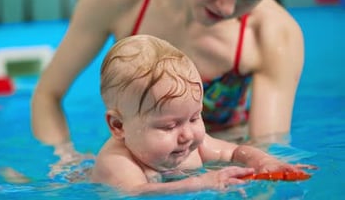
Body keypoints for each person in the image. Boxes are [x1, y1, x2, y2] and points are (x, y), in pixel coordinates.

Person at [31, 0, 304, 157]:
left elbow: (266, 150)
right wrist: (64, 161)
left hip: (221, 164)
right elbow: (47, 95)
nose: (227, 7)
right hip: (132, 163)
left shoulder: (275, 34)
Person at [91, 35, 308, 195]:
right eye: (169, 126)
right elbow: (137, 193)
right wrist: (201, 183)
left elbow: (235, 153)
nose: (187, 134)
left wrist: (264, 161)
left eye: (195, 118)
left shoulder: (194, 145)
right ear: (118, 126)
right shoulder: (117, 161)